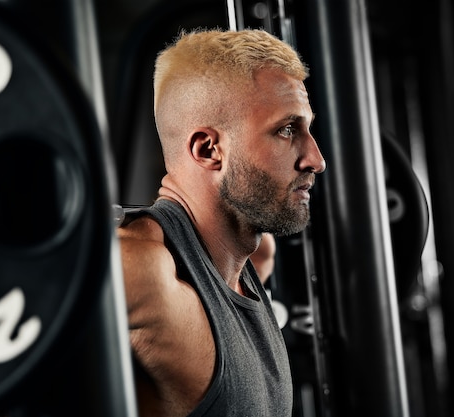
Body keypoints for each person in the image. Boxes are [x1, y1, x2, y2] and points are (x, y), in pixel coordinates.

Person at [117, 28, 326, 417]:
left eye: (307, 129)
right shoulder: (140, 269)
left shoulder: (254, 257)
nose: (315, 159)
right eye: (286, 130)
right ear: (209, 149)